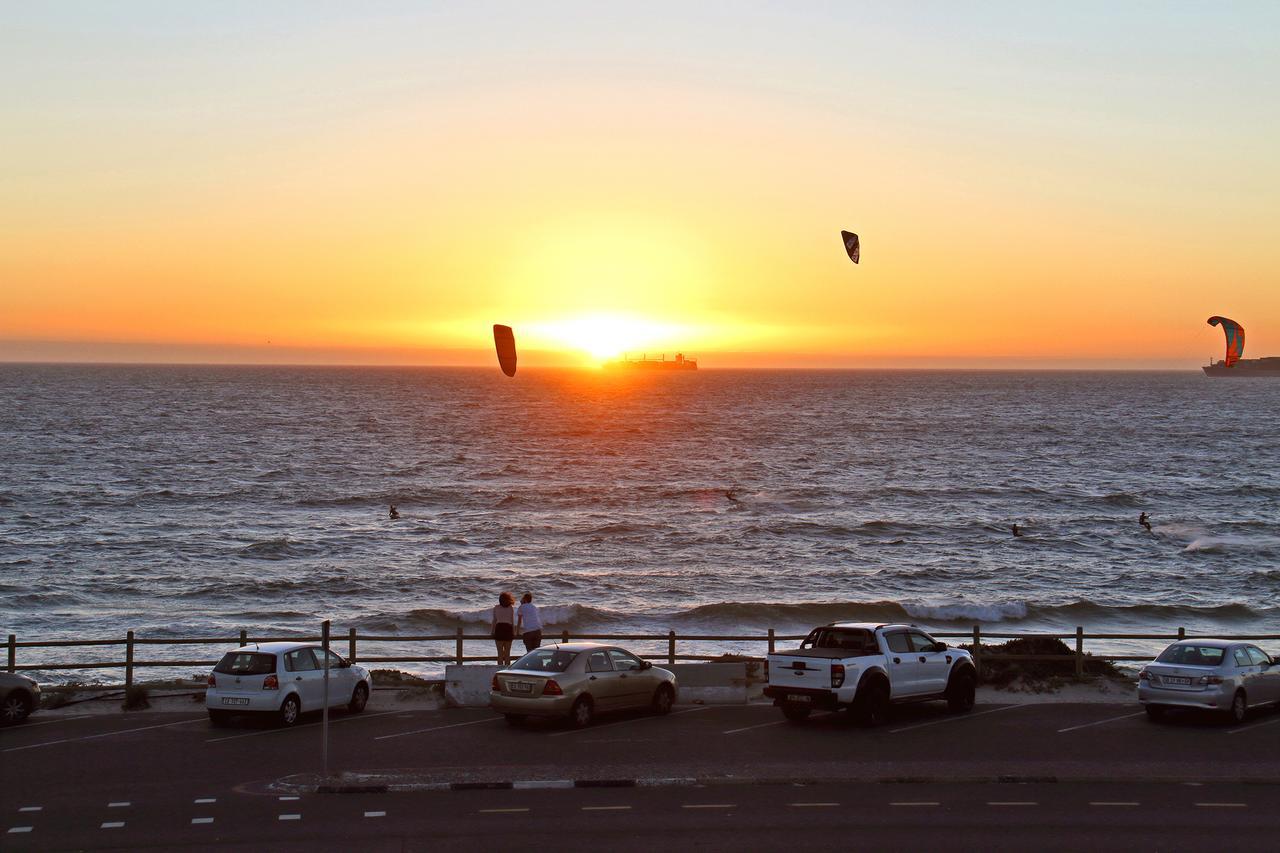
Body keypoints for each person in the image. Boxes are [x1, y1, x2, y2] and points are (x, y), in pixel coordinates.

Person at [491, 592, 516, 667]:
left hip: (499, 628)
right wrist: (513, 632)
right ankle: (507, 670)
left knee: (500, 653)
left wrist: (492, 631)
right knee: (507, 653)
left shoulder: (496, 607)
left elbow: (494, 620)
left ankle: (499, 670)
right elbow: (512, 621)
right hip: (508, 629)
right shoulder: (510, 608)